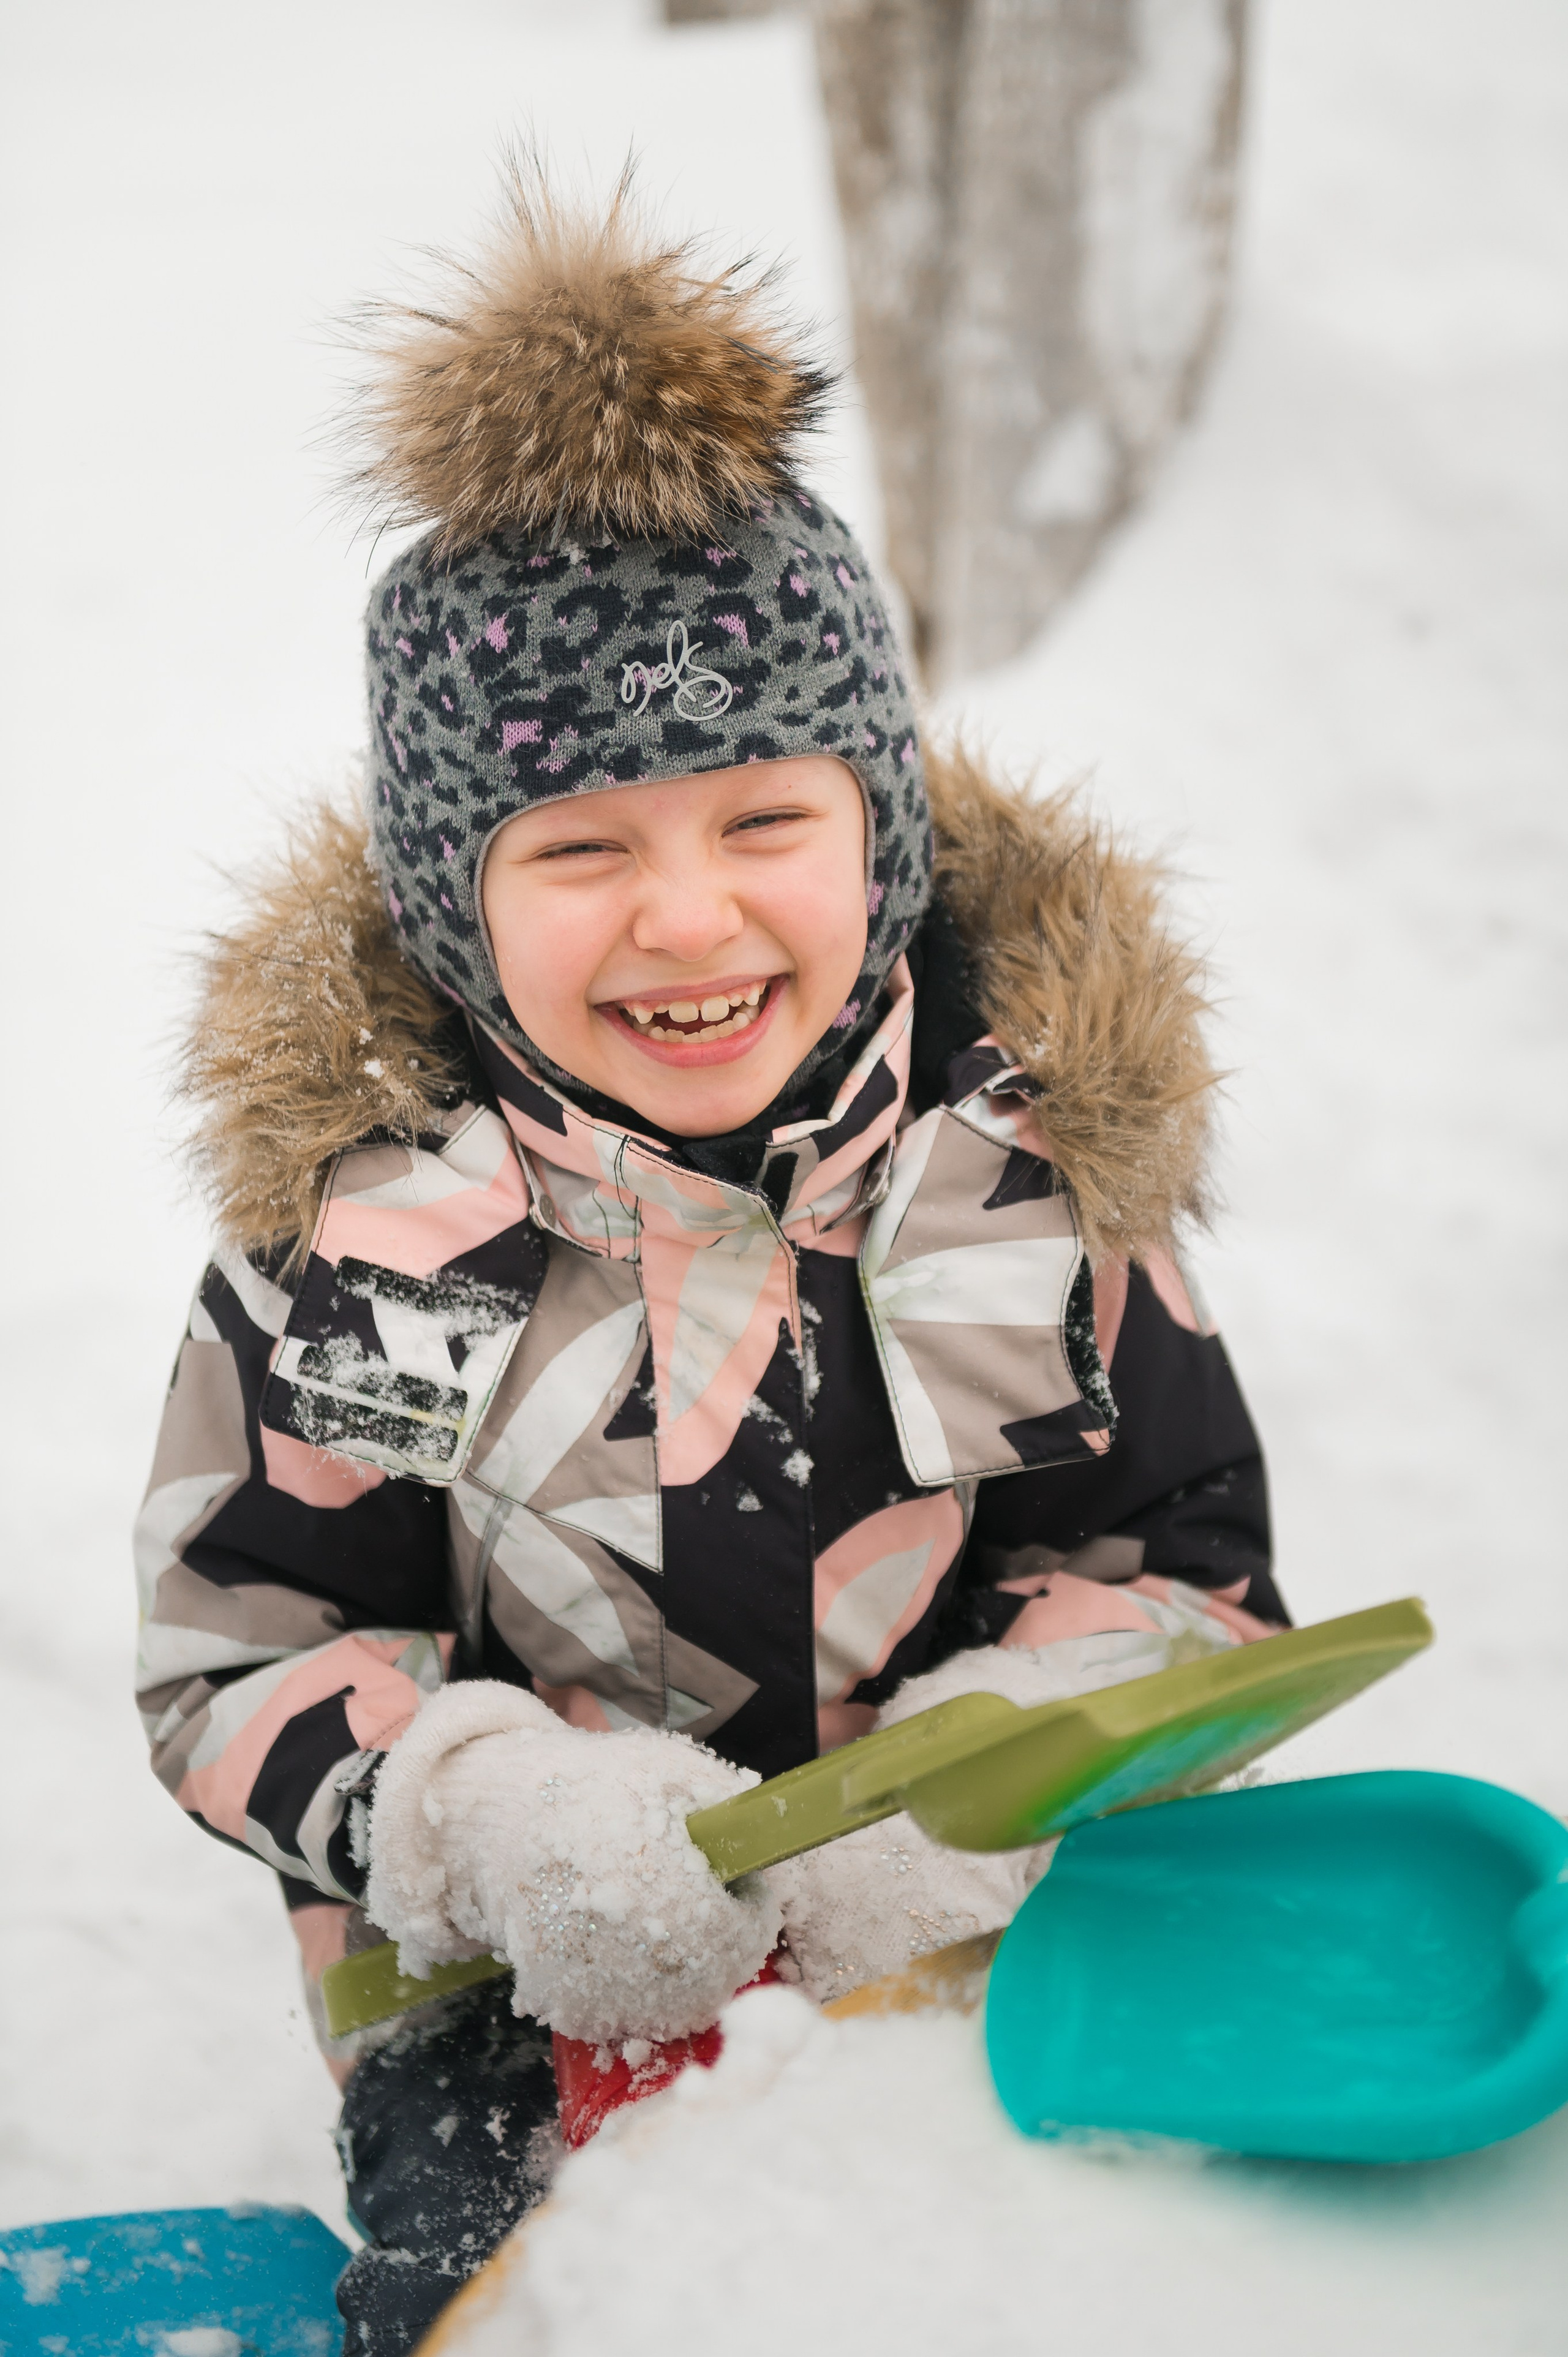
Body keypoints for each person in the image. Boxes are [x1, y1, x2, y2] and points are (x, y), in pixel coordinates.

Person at [135, 177, 1280, 2356]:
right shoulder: (376, 1251)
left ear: (883, 839)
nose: (688, 922)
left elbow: (1191, 1568)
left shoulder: (1029, 1172)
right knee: (549, 2316)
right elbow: (236, 1652)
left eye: (767, 823)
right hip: (499, 1991)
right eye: (580, 852)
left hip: (970, 1923)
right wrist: (471, 1813)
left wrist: (1012, 1757)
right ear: (461, 905)